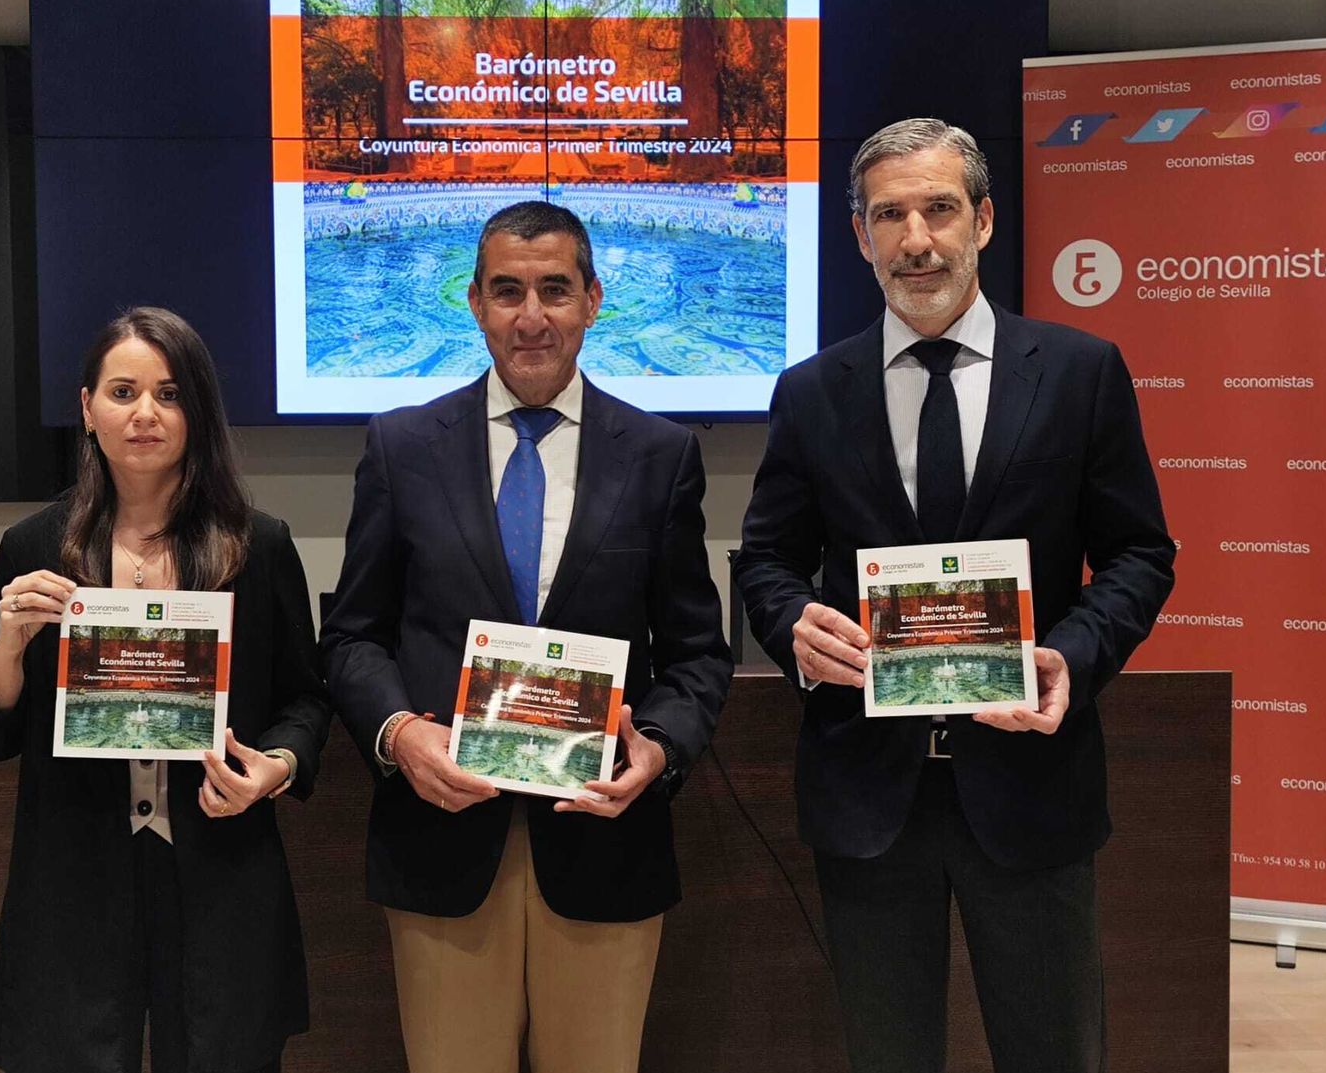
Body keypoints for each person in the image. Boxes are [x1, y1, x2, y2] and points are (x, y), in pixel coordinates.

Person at [734, 118, 1176, 1073]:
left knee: (1054, 1050)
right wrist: (792, 626)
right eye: (888, 214)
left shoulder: (1077, 372)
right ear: (859, 235)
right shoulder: (811, 392)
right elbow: (765, 560)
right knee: (887, 1054)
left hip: (1029, 788)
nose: (915, 239)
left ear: (982, 220)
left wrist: (1072, 654)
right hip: (868, 792)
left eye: (938, 209)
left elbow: (1141, 553)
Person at [321, 200, 733, 1073]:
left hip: (603, 842)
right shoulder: (401, 447)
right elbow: (353, 636)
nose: (531, 316)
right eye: (507, 291)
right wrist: (399, 733)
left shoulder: (660, 455)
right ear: (472, 302)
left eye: (555, 289)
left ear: (594, 298)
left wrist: (657, 749)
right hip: (441, 843)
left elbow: (698, 651)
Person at [0, 306, 332, 1073]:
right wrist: (8, 645)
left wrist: (276, 766)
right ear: (87, 407)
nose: (145, 414)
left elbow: (306, 699)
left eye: (169, 393)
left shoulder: (259, 545)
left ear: (198, 411)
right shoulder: (33, 545)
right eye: (123, 391)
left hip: (221, 868)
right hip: (74, 868)